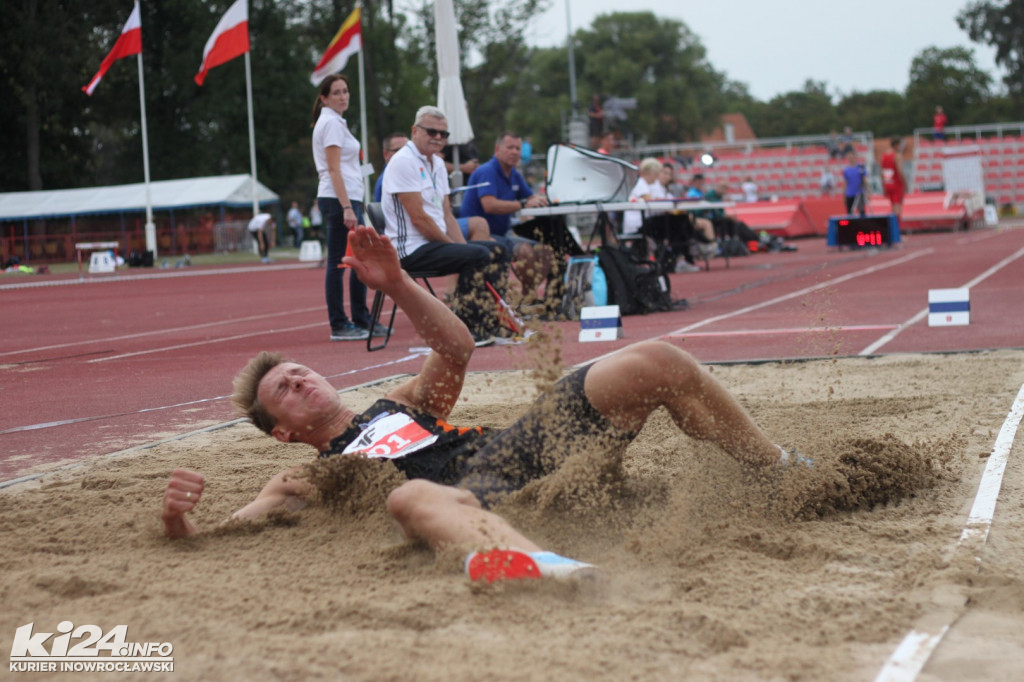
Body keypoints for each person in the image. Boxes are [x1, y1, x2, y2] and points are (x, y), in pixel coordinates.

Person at [161, 224, 809, 582]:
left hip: (521, 450)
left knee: (658, 360)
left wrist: (398, 286)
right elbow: (226, 534)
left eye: (300, 372)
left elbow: (458, 348)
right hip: (463, 499)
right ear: (281, 431)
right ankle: (544, 567)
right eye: (284, 390)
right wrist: (179, 524)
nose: (301, 381)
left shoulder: (398, 403)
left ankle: (776, 468)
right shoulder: (304, 474)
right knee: (406, 497)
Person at [382, 105, 509, 345]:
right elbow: (419, 219)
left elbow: (446, 214)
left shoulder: (438, 164)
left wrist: (461, 249)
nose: (438, 137)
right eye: (432, 132)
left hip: (430, 243)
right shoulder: (403, 162)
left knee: (498, 250)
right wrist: (456, 248)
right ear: (415, 131)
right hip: (408, 249)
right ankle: (469, 326)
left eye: (444, 134)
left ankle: (493, 319)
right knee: (476, 255)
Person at [312, 74, 381, 341]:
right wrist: (346, 207)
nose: (343, 96)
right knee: (340, 262)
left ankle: (361, 319)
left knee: (356, 260)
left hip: (348, 197)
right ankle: (339, 324)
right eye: (337, 92)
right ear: (324, 98)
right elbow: (333, 169)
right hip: (338, 199)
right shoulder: (329, 123)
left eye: (345, 91)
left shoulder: (337, 122)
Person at [459, 131, 554, 308]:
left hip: (503, 233)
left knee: (546, 251)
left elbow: (532, 199)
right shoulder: (487, 171)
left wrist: (544, 202)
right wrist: (524, 204)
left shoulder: (514, 174)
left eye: (518, 148)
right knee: (525, 250)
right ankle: (515, 302)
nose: (514, 152)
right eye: (509, 147)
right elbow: (490, 205)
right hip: (478, 236)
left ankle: (527, 298)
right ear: (497, 149)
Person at [375, 132, 490, 242]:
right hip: (416, 235)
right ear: (386, 154)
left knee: (491, 243)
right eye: (398, 150)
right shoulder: (392, 175)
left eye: (407, 148)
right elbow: (418, 218)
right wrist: (452, 246)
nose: (404, 152)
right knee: (479, 228)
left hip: (433, 225)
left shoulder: (422, 167)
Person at [880, 136, 907, 219]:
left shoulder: (884, 156)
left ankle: (894, 226)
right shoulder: (897, 156)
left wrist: (883, 185)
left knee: (893, 205)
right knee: (897, 205)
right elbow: (900, 171)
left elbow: (882, 172)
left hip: (888, 183)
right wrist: (905, 183)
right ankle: (897, 227)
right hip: (896, 183)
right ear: (896, 145)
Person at [841, 150, 867, 216]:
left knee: (862, 211)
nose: (850, 158)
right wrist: (843, 195)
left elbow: (865, 181)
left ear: (855, 156)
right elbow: (845, 183)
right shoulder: (846, 170)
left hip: (859, 193)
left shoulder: (861, 168)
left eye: (851, 156)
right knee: (850, 213)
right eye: (849, 156)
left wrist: (867, 192)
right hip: (849, 194)